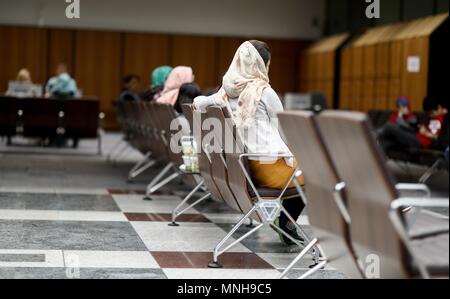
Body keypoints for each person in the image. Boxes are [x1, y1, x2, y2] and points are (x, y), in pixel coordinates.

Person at [194, 40, 305, 246]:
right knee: (316, 176)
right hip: (269, 167)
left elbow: (199, 102)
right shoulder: (265, 92)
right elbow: (285, 131)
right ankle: (287, 224)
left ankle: (285, 223)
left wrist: (205, 100)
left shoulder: (225, 93)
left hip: (244, 168)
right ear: (262, 65)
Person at [379, 96, 448, 153]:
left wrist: (426, 133)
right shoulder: (431, 117)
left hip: (420, 142)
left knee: (389, 126)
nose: (431, 115)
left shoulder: (444, 119)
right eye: (429, 113)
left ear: (439, 107)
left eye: (432, 113)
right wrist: (419, 127)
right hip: (416, 135)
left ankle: (372, 141)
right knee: (386, 142)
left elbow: (442, 139)